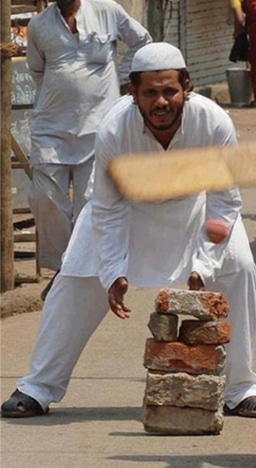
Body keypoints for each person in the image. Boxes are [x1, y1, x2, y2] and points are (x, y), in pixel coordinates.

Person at [1, 42, 256, 421]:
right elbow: (109, 209)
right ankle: (37, 386)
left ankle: (243, 388)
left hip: (193, 210)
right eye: (150, 93)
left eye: (170, 91)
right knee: (75, 282)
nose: (161, 102)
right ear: (133, 93)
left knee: (241, 268)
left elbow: (224, 203)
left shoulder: (214, 122)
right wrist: (114, 271)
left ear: (187, 88)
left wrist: (204, 265)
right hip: (123, 212)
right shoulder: (115, 127)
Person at [26, 0, 151, 278]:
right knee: (44, 197)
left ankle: (79, 271)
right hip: (51, 127)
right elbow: (38, 72)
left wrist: (121, 78)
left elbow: (142, 41)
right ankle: (62, 267)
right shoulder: (39, 25)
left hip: (98, 126)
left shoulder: (108, 10)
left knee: (90, 204)